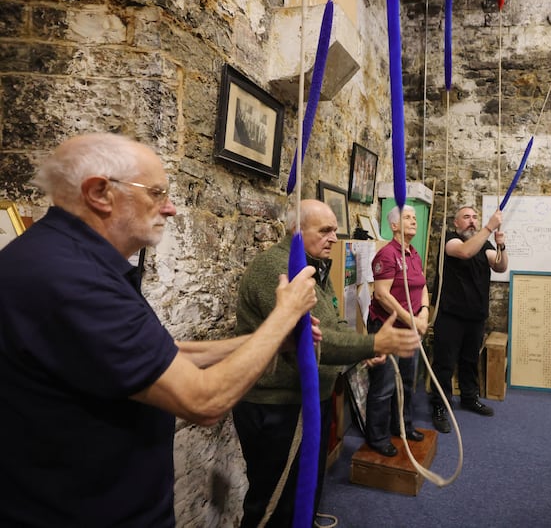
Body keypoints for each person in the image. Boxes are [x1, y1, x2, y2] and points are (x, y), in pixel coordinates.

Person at [0, 133, 319, 527]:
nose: (169, 209)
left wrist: (271, 341)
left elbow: (163, 355)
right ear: (100, 193)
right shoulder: (71, 279)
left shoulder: (69, 259)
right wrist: (284, 314)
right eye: (156, 193)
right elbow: (204, 401)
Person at [233, 199, 420, 527]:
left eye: (335, 229)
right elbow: (315, 339)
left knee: (303, 493)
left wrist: (363, 351)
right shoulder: (276, 269)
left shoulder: (313, 267)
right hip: (276, 405)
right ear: (295, 231)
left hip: (305, 401)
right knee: (274, 502)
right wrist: (374, 342)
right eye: (325, 230)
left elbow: (333, 323)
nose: (334, 237)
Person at [430, 206, 508, 433]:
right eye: (466, 217)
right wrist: (488, 227)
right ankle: (439, 406)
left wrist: (501, 243)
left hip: (475, 315)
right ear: (456, 223)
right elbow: (464, 252)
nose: (472, 221)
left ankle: (468, 398)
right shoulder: (450, 240)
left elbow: (501, 266)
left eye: (475, 217)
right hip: (450, 315)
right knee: (444, 364)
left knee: (469, 361)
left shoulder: (484, 244)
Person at [365, 205, 429, 456]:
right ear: (394, 225)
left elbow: (422, 285)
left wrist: (423, 313)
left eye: (414, 217)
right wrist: (410, 319)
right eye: (407, 217)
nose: (413, 221)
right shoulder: (387, 255)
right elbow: (381, 295)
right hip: (388, 328)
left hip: (410, 328)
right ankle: (378, 437)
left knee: (407, 382)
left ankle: (403, 426)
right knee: (385, 385)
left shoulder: (414, 253)